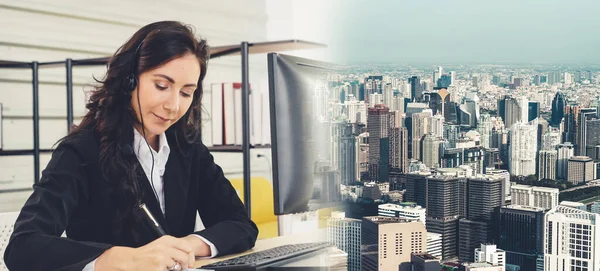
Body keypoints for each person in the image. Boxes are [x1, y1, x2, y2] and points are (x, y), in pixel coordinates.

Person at [3, 21, 258, 271]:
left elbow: (241, 225)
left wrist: (188, 245)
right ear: (129, 80)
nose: (173, 106)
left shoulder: (187, 149)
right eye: (162, 86)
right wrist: (127, 260)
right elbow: (22, 247)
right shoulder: (81, 151)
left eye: (185, 93)